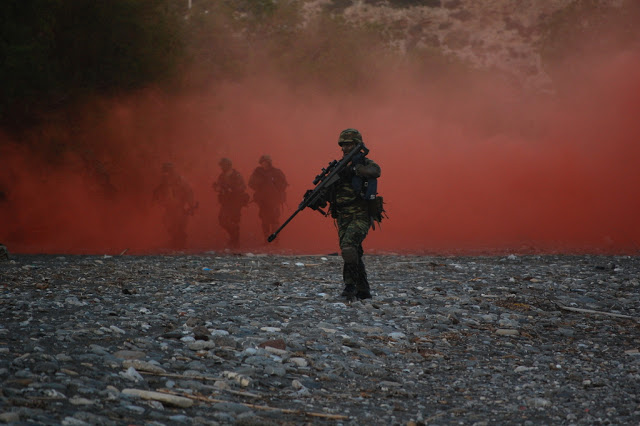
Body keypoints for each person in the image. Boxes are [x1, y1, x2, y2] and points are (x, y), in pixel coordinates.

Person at [326, 128, 381, 301]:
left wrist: (356, 170)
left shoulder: (365, 163)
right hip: (343, 216)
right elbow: (328, 190)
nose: (345, 148)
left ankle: (349, 288)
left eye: (349, 144)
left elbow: (376, 171)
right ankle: (363, 291)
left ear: (357, 145)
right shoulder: (337, 167)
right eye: (343, 145)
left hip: (360, 215)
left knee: (348, 248)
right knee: (353, 252)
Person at [152, 163, 197, 249]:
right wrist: (156, 199)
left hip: (179, 207)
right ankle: (175, 242)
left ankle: (181, 245)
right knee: (169, 225)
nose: (165, 174)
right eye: (164, 172)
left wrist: (190, 205)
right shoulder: (165, 181)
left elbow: (189, 192)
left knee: (180, 227)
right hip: (169, 207)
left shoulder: (180, 180)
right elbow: (158, 190)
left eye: (167, 171)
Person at [248, 155, 288, 242]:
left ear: (269, 163)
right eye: (262, 162)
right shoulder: (258, 172)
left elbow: (284, 184)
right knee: (264, 220)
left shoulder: (276, 172)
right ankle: (266, 239)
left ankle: (275, 239)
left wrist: (275, 184)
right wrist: (260, 183)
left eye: (265, 162)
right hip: (263, 200)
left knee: (274, 220)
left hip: (274, 200)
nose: (264, 164)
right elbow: (251, 183)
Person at [213, 158, 249, 247]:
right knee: (222, 220)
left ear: (228, 165)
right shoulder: (222, 176)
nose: (221, 167)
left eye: (223, 165)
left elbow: (242, 187)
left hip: (235, 201)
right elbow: (219, 187)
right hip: (225, 202)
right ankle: (232, 237)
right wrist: (217, 188)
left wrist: (232, 189)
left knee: (234, 221)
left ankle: (235, 241)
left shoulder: (236, 175)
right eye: (221, 165)